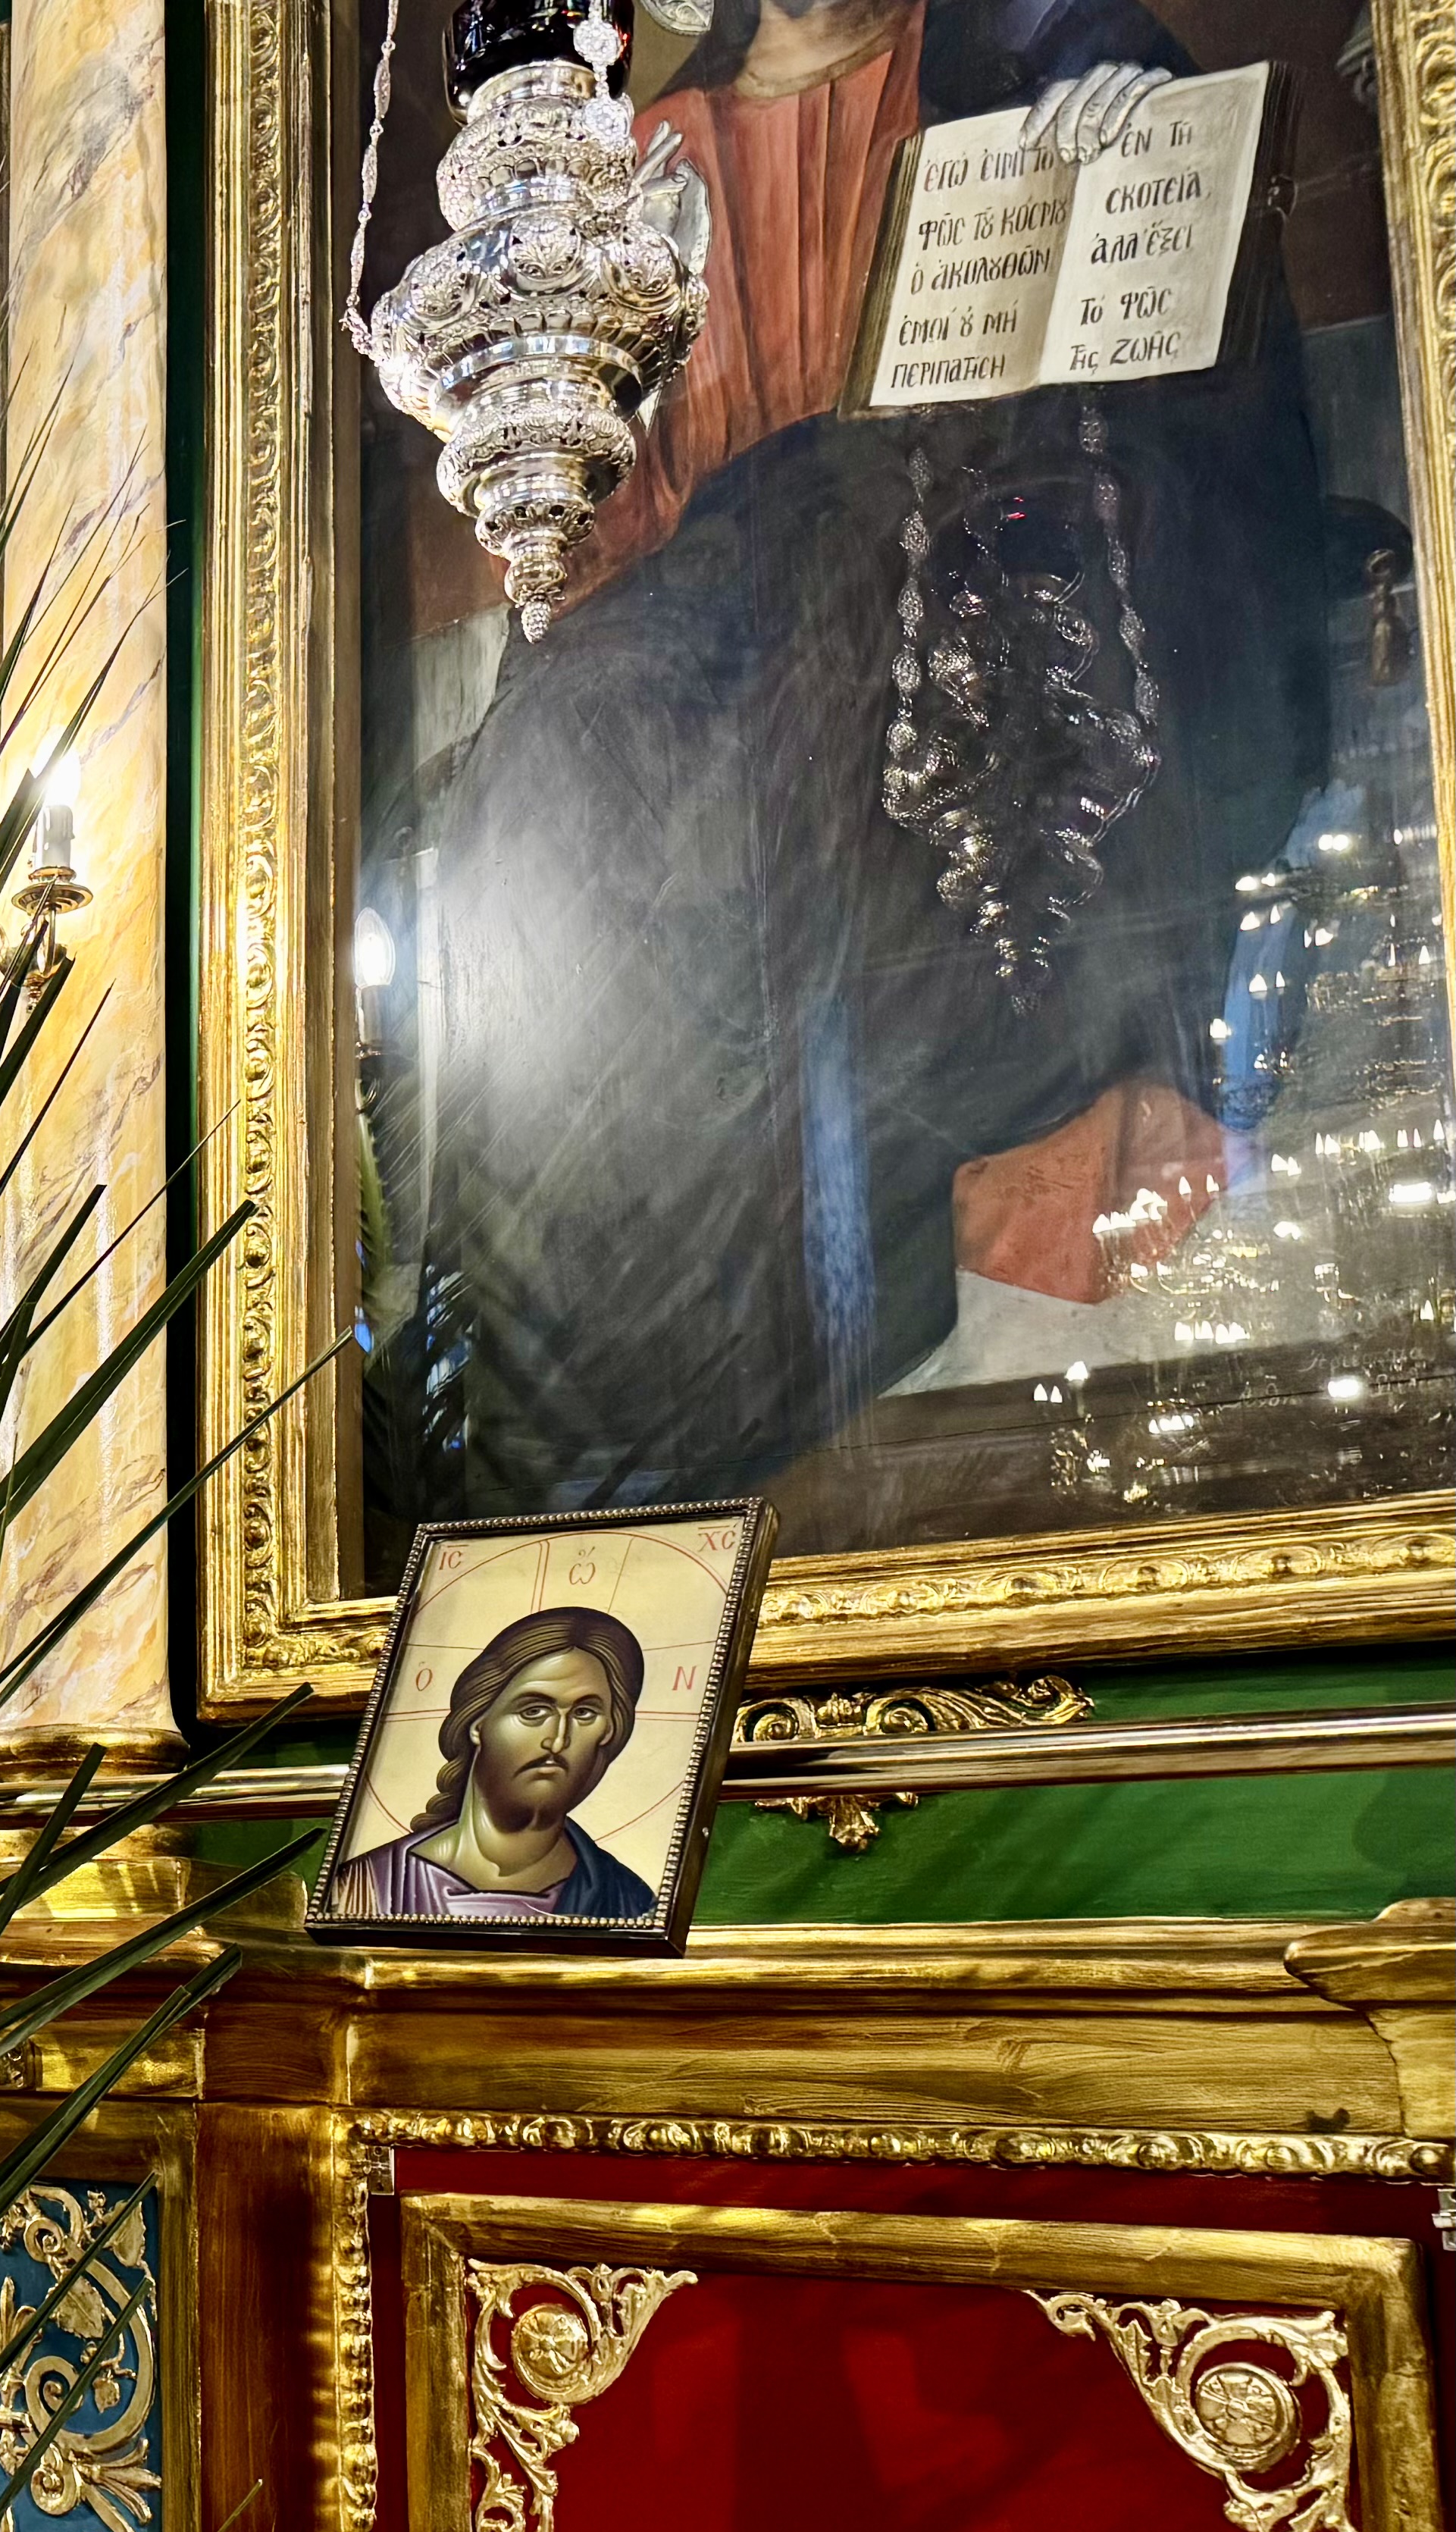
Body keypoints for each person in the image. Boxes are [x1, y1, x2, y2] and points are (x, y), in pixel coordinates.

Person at [361, 0, 1329, 1544]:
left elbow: (1179, 413)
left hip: (914, 630)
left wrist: (1127, 143)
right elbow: (580, 525)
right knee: (539, 799)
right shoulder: (640, 162)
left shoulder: (1035, 70)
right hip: (696, 683)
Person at [327, 1606, 660, 1923]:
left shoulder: (630, 1902)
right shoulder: (365, 1888)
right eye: (533, 1711)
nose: (558, 1740)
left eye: (585, 1713)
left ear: (608, 1731)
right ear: (479, 1721)